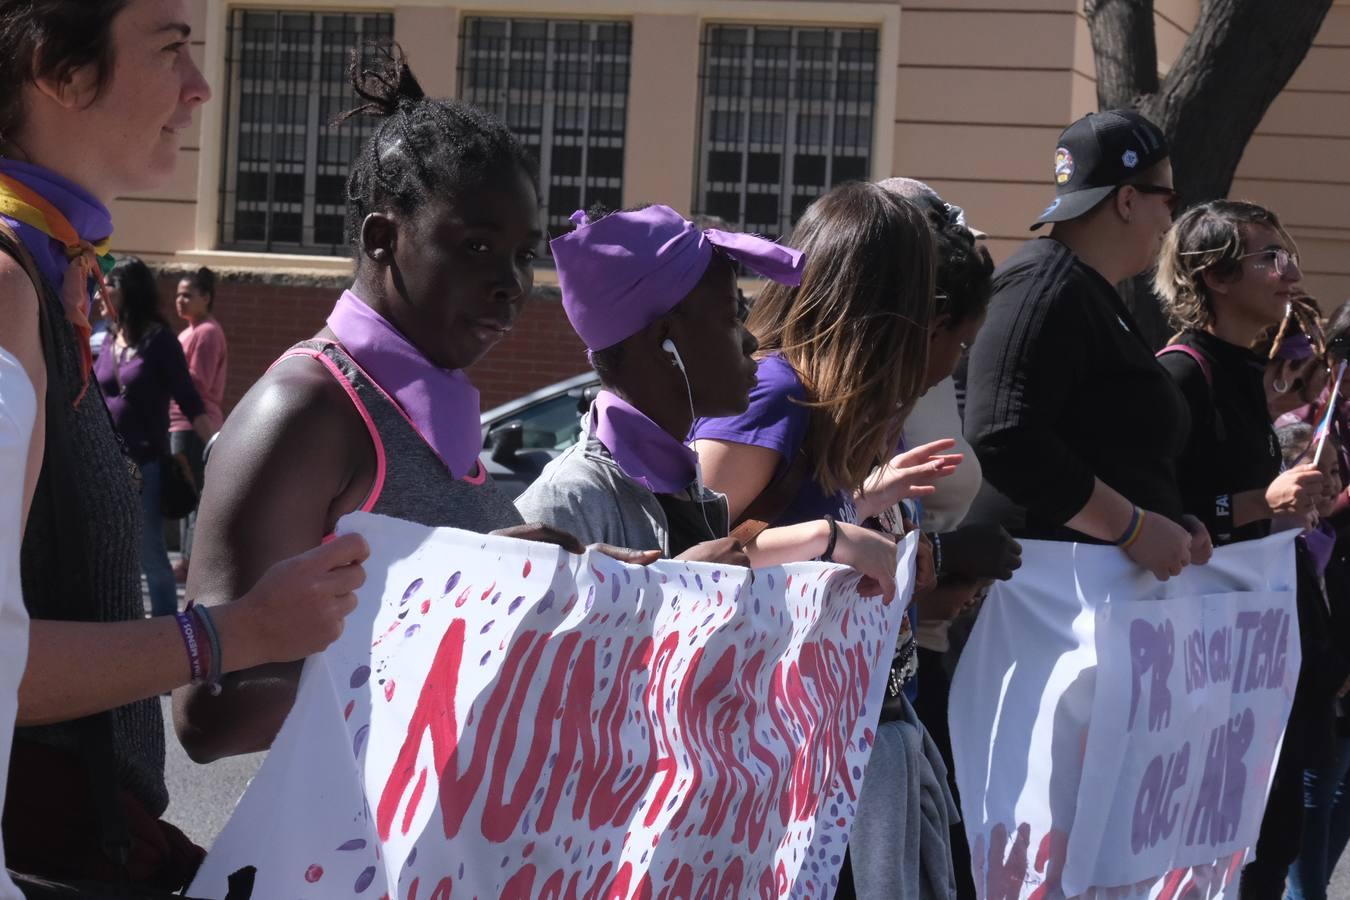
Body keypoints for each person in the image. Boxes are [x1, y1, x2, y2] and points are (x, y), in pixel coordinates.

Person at [175, 45, 655, 766]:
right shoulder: (307, 411)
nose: (509, 283)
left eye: (522, 254)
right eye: (475, 246)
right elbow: (212, 711)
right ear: (382, 238)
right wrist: (463, 605)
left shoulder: (435, 405)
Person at [0, 0, 369, 892]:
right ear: (60, 70)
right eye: (170, 49)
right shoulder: (7, 285)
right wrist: (232, 634)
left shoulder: (43, 273)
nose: (200, 89)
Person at [689, 181, 959, 899]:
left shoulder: (836, 407)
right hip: (759, 768)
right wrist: (834, 535)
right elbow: (683, 561)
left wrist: (868, 508)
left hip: (821, 756)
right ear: (884, 306)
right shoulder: (774, 392)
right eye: (924, 298)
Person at [513, 203, 904, 599]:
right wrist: (677, 587)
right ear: (666, 341)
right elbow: (522, 655)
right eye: (732, 317)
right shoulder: (567, 501)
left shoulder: (695, 493)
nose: (751, 340)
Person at [1152, 199, 1340, 900]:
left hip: (1266, 650)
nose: (1289, 271)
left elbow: (1233, 508)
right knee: (1228, 849)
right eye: (1269, 257)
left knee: (1280, 833)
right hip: (1211, 663)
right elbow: (1161, 515)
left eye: (1285, 253)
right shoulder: (1181, 374)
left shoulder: (1242, 370)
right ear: (1216, 277)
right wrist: (1265, 502)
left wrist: (1294, 508)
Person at [962, 109, 1212, 578]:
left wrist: (1169, 519)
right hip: (1045, 597)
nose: (1169, 220)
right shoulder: (1043, 287)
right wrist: (1134, 528)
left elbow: (1104, 444)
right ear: (1128, 201)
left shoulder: (1088, 291)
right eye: (1169, 198)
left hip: (1091, 597)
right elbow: (1001, 432)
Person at [876, 177, 1021, 900]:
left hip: (919, 661)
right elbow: (764, 543)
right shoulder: (802, 392)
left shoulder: (925, 370)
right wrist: (934, 563)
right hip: (861, 698)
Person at [95, 256, 214, 617]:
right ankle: (119, 627)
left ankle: (166, 635)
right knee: (106, 553)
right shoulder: (108, 338)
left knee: (150, 555)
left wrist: (216, 445)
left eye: (108, 286)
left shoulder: (160, 341)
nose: (100, 293)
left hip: (142, 465)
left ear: (128, 292)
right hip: (103, 464)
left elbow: (189, 398)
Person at [168, 266, 226, 585]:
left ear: (206, 298)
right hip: (179, 421)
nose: (180, 300)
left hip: (196, 422)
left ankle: (189, 562)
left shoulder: (207, 332)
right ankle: (185, 560)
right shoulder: (186, 332)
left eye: (188, 294)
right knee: (185, 491)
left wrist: (165, 367)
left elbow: (198, 383)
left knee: (193, 493)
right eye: (178, 294)